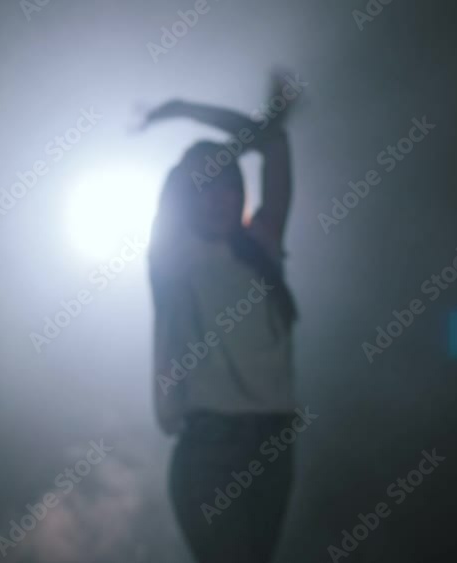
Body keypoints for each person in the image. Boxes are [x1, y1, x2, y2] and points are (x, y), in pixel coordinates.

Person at [141, 78, 300, 563]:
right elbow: (183, 181)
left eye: (228, 186)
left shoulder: (262, 247)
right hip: (209, 449)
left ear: (240, 193)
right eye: (204, 188)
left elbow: (274, 143)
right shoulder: (174, 257)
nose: (218, 199)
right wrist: (201, 131)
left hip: (274, 444)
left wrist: (188, 107)